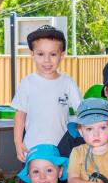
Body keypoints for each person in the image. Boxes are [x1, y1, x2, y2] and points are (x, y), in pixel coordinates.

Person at [12, 25, 82, 162]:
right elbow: (20, 116)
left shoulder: (68, 83)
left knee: (61, 182)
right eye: (40, 54)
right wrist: (18, 143)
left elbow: (82, 112)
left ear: (62, 55)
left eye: (53, 54)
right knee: (36, 182)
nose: (47, 60)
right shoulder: (27, 83)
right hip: (33, 148)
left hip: (62, 148)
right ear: (32, 54)